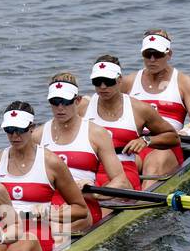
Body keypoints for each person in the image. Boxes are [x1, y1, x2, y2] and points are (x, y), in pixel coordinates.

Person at [0, 100, 88, 251]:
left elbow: (81, 210)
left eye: (20, 130)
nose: (14, 136)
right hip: (4, 227)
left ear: (32, 128)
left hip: (38, 231)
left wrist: (49, 213)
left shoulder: (51, 163)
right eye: (9, 130)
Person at [34, 72, 129, 231]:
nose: (60, 107)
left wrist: (94, 194)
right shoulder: (37, 135)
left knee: (46, 230)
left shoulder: (97, 134)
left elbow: (122, 182)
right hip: (48, 204)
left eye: (65, 102)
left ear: (77, 101)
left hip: (82, 206)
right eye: (55, 102)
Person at [76, 55, 178, 192]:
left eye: (108, 81)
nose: (102, 86)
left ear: (119, 80)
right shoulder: (81, 107)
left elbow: (173, 137)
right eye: (97, 81)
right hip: (89, 171)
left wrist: (146, 140)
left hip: (122, 173)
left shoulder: (139, 109)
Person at [122, 30, 190, 179]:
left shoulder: (184, 82)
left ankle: (146, 199)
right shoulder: (129, 81)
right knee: (121, 170)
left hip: (167, 144)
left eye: (158, 54)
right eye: (148, 54)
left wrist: (186, 132)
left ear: (169, 54)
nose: (152, 59)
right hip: (137, 143)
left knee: (153, 166)